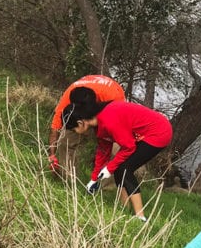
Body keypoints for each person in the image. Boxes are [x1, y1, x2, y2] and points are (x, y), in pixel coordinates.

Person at [61, 90, 172, 221]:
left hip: (158, 132)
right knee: (119, 167)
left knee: (124, 168)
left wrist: (109, 168)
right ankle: (123, 209)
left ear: (80, 122)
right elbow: (103, 151)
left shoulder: (108, 120)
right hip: (144, 133)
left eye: (74, 130)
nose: (76, 133)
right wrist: (94, 178)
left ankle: (140, 216)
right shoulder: (98, 124)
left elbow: (129, 147)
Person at [48, 75, 125, 177]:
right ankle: (69, 179)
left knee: (116, 150)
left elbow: (121, 124)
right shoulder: (68, 99)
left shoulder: (113, 97)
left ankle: (106, 187)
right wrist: (52, 155)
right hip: (86, 106)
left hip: (111, 108)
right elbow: (55, 128)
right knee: (65, 142)